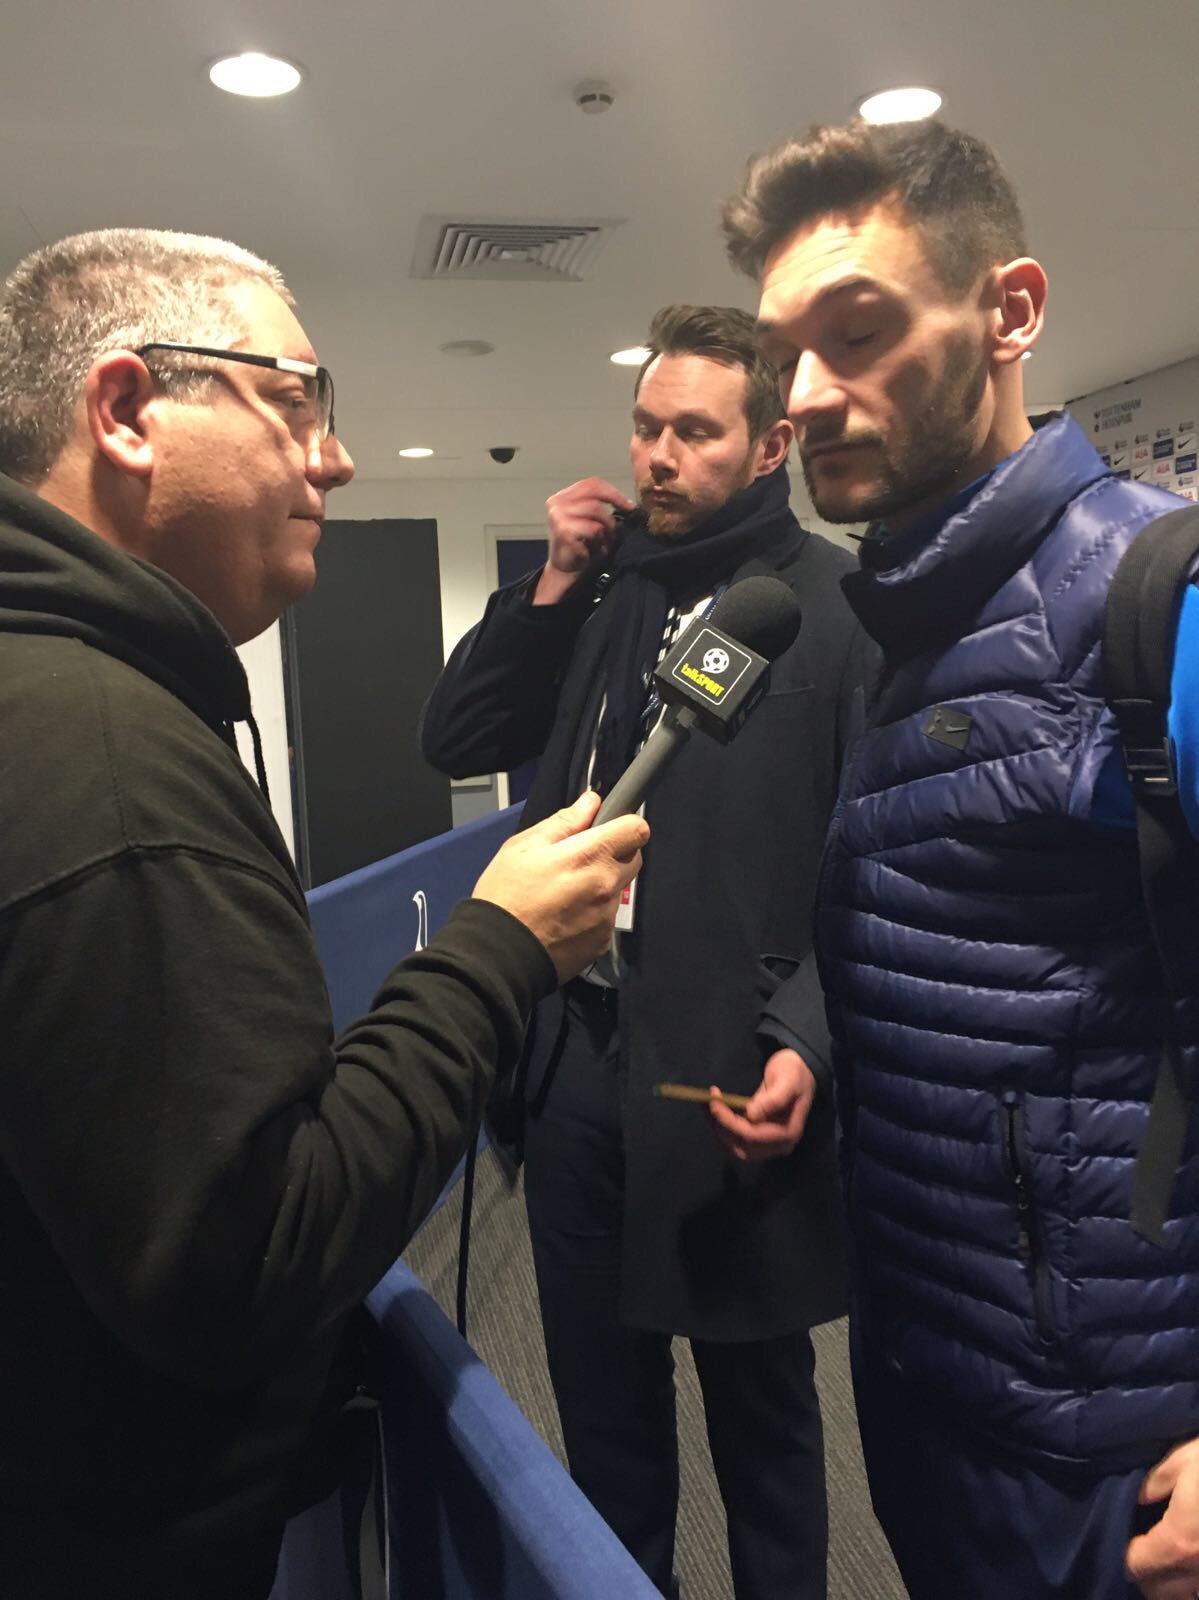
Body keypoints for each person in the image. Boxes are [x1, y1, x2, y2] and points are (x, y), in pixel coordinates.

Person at [0, 227, 648, 1600]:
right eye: (298, 399)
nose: (336, 457)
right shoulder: (104, 767)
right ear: (124, 411)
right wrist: (499, 947)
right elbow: (256, 1256)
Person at [722, 118, 1199, 1600]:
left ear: (1010, 313)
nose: (804, 397)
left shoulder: (1157, 603)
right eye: (785, 352)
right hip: (936, 1394)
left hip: (1123, 1457)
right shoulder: (895, 629)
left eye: (856, 334)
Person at [421, 303, 872, 1599]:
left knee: (766, 1429)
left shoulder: (835, 613)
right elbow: (458, 738)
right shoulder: (606, 591)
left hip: (730, 1075)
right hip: (575, 1067)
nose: (657, 456)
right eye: (644, 426)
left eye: (692, 432)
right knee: (604, 1427)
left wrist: (805, 1042)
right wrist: (550, 589)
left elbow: (865, 868)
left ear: (772, 438)